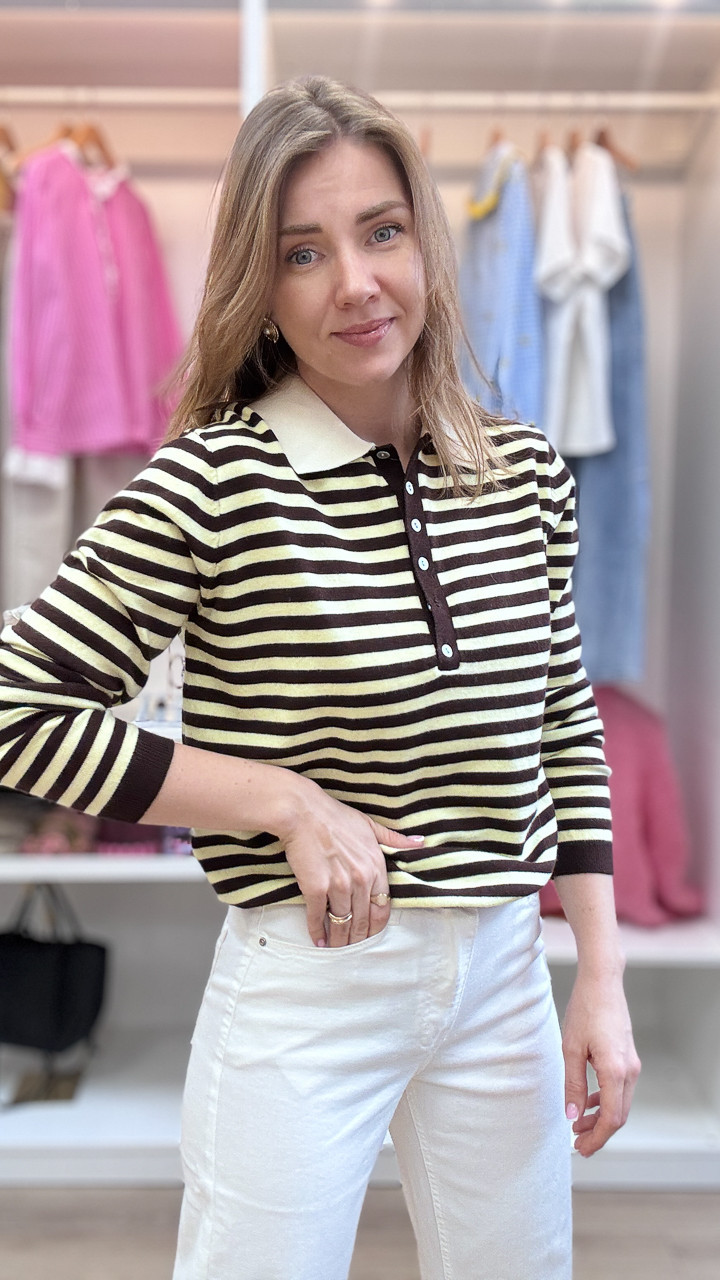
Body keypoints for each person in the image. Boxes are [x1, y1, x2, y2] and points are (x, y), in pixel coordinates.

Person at [0, 76, 640, 1280]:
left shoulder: (526, 474)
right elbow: (14, 710)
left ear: (425, 242)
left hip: (505, 973)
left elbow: (563, 717)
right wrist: (284, 800)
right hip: (308, 976)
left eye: (381, 231)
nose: (355, 282)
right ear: (261, 285)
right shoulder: (211, 483)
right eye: (303, 252)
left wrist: (600, 977)